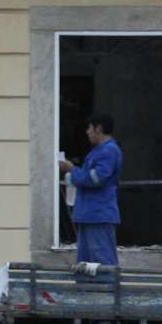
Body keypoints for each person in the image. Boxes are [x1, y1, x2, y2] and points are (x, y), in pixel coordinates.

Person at [59, 112, 122, 276]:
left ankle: (108, 297)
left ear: (98, 129)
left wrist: (72, 169)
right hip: (89, 214)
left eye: (89, 128)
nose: (87, 132)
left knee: (102, 262)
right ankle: (87, 296)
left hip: (99, 215)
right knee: (85, 265)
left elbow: (95, 179)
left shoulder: (109, 151)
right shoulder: (100, 151)